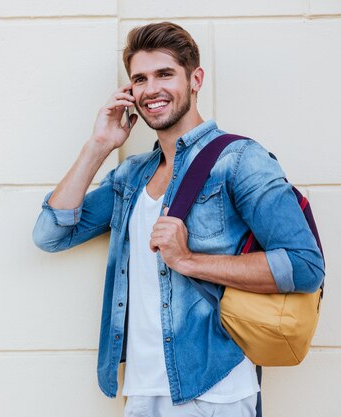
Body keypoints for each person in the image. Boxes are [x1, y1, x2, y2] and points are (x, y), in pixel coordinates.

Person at [32, 22, 324, 417]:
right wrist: (99, 145)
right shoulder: (131, 176)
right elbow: (51, 233)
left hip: (215, 390)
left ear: (195, 79)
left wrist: (188, 260)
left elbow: (304, 266)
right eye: (140, 79)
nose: (151, 89)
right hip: (142, 388)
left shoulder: (239, 160)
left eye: (164, 74)